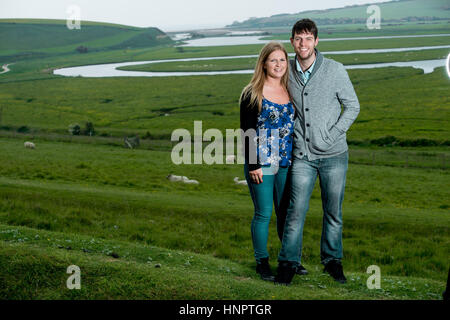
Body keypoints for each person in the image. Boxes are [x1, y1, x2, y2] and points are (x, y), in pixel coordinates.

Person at [274, 19, 360, 285]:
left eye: (308, 38)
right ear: (292, 42)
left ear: (316, 41)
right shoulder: (285, 71)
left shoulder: (335, 70)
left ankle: (332, 261)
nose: (303, 44)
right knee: (294, 211)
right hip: (303, 156)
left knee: (333, 211)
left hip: (334, 155)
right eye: (298, 39)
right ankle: (288, 263)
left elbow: (353, 107)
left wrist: (330, 136)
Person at [239, 42, 296, 281]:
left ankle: (289, 260)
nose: (278, 65)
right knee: (264, 213)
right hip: (262, 163)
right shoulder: (252, 92)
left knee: (285, 213)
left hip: (286, 161)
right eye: (273, 60)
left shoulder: (290, 90)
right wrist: (253, 165)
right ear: (263, 63)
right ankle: (262, 262)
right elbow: (247, 131)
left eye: (282, 60)